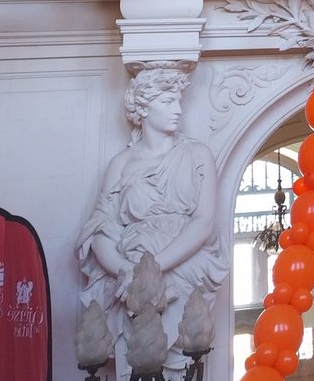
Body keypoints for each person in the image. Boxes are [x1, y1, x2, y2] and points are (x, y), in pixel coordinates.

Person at [76, 65, 228, 357]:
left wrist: (151, 270)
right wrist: (128, 272)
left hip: (184, 270)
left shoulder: (198, 155)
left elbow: (204, 222)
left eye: (179, 101)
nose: (178, 110)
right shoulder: (121, 164)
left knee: (183, 362)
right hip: (131, 275)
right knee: (136, 362)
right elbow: (100, 229)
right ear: (143, 107)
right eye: (168, 101)